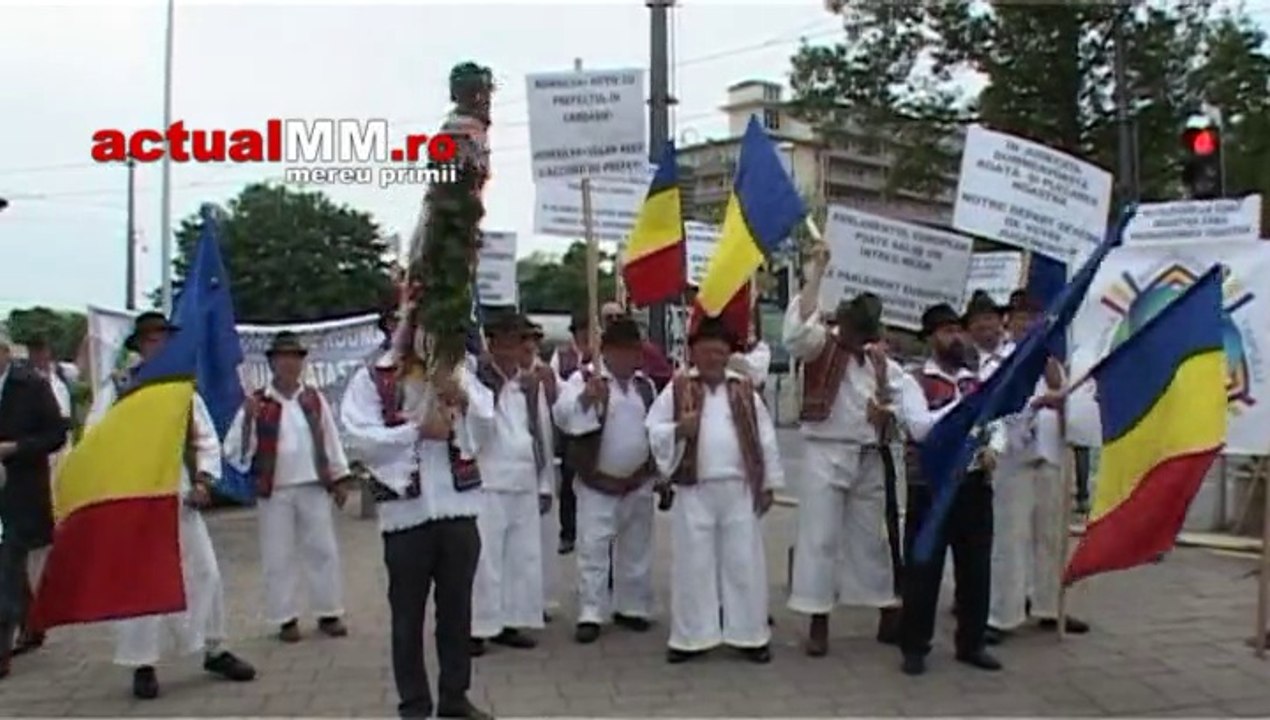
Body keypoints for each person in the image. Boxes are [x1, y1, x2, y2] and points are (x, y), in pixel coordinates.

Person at [84, 313, 255, 699]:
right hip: (135, 494)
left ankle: (214, 647)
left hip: (176, 494)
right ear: (141, 345)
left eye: (164, 337)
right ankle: (143, 663)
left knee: (204, 571)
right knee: (140, 579)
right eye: (153, 338)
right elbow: (94, 437)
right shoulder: (119, 389)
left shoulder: (181, 389)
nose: (160, 344)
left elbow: (205, 438)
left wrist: (204, 479)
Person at [340, 310, 492, 720]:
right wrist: (415, 431)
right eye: (415, 325)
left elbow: (488, 423)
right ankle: (414, 704)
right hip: (406, 514)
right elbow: (358, 437)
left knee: (457, 611)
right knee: (407, 616)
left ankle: (455, 696)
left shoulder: (457, 371)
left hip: (458, 510)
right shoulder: (373, 378)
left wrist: (460, 394)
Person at [782, 241, 908, 655]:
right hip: (826, 452)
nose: (859, 338)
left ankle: (886, 607)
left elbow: (902, 402)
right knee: (820, 537)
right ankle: (818, 618)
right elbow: (795, 333)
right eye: (856, 330)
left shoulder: (877, 361)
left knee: (871, 538)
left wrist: (885, 413)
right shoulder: (821, 344)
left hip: (869, 455)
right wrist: (815, 274)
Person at [646, 317, 784, 664]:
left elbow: (765, 438)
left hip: (738, 489)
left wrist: (768, 484)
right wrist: (679, 429)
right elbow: (653, 429)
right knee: (694, 564)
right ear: (694, 353)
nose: (713, 358)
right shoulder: (678, 388)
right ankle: (691, 637)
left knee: (744, 562)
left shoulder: (744, 389)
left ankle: (750, 634)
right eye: (707, 351)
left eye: (720, 352)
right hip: (695, 489)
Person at [892, 303, 1004, 676]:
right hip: (932, 487)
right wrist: (964, 409)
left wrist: (995, 446)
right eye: (945, 331)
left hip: (973, 485)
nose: (954, 337)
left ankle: (971, 642)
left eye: (958, 330)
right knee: (924, 568)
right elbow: (922, 429)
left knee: (975, 568)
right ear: (930, 340)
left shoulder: (978, 380)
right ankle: (914, 646)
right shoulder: (914, 381)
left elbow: (998, 420)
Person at [223, 331, 353, 643]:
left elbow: (330, 438)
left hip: (312, 484)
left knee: (323, 549)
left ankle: (329, 611)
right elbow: (236, 452)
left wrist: (339, 477)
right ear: (272, 363)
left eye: (294, 358)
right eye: (283, 358)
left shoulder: (313, 398)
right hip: (275, 487)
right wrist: (247, 422)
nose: (289, 364)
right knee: (277, 554)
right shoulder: (258, 402)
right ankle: (285, 618)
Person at [553, 316, 658, 644]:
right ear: (607, 351)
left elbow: (656, 428)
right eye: (621, 351)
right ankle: (591, 611)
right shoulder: (584, 379)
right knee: (594, 548)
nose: (629, 358)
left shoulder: (645, 386)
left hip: (637, 482)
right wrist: (586, 398)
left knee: (636, 548)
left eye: (634, 351)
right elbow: (564, 415)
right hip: (597, 481)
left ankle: (632, 606)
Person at [996, 291, 1089, 637]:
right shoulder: (1002, 361)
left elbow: (1072, 412)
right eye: (1019, 318)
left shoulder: (1051, 361)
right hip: (1014, 459)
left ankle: (1050, 605)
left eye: (1032, 318)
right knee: (1011, 538)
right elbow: (1000, 412)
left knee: (1051, 538)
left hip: (1050, 455)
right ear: (1010, 322)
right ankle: (1004, 612)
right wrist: (1037, 402)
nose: (1026, 324)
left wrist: (1060, 395)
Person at [470, 312, 555, 654]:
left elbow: (542, 435)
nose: (510, 350)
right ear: (490, 344)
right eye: (503, 342)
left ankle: (511, 621)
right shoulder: (477, 382)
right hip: (487, 480)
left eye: (517, 342)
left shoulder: (530, 384)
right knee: (485, 559)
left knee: (522, 558)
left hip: (523, 479)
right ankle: (477, 626)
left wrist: (545, 482)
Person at [0, 329, 67, 679]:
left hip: (19, 489)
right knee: (7, 565)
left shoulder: (32, 385)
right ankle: (31, 621)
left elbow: (56, 434)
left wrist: (16, 448)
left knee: (7, 560)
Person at [548, 312, 593, 556]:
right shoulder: (563, 355)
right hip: (568, 422)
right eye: (582, 331)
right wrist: (574, 390)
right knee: (568, 479)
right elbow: (555, 384)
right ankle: (568, 532)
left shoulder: (597, 354)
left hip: (592, 424)